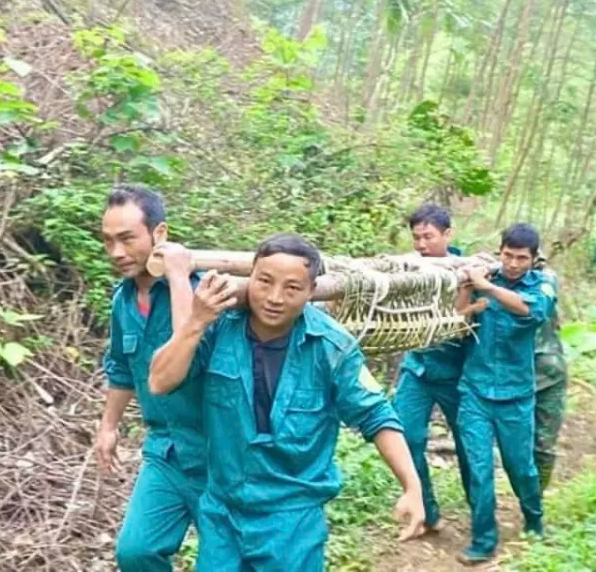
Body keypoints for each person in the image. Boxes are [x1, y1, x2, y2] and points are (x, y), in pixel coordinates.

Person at [148, 234, 425, 570]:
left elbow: (376, 415)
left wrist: (412, 486)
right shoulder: (217, 328)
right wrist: (194, 322)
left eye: (292, 288)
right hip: (223, 512)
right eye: (264, 282)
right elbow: (161, 381)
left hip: (292, 519)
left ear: (311, 292)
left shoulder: (331, 347)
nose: (275, 298)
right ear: (250, 279)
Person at [96, 186, 203, 572]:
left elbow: (191, 345)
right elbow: (122, 367)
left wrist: (177, 277)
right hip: (165, 448)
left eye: (127, 239)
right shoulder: (122, 300)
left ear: (159, 234)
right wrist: (109, 426)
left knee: (227, 560)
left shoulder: (199, 289)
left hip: (218, 450)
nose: (117, 253)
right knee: (136, 552)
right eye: (108, 241)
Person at [455, 223, 551, 565]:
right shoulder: (487, 278)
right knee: (479, 469)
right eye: (507, 255)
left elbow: (531, 311)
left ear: (533, 259)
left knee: (520, 466)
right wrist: (470, 287)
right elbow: (457, 316)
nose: (512, 263)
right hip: (475, 391)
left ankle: (534, 518)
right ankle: (483, 539)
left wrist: (487, 289)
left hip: (516, 394)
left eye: (521, 258)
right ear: (500, 252)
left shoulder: (541, 285)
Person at [392, 204, 474, 534]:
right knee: (406, 437)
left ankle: (480, 513)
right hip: (418, 368)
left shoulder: (470, 269)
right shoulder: (411, 268)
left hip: (457, 373)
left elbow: (461, 319)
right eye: (416, 238)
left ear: (447, 234)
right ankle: (426, 511)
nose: (422, 244)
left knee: (469, 445)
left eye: (428, 237)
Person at [532, 256, 567, 491]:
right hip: (510, 377)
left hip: (548, 374)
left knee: (544, 444)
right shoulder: (498, 282)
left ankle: (536, 499)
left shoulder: (546, 281)